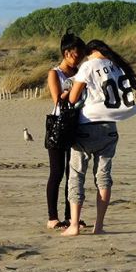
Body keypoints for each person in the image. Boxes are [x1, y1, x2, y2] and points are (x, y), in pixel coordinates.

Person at [62, 39, 136, 237]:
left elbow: (73, 98)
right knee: (104, 177)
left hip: (87, 125)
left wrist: (66, 94)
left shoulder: (88, 66)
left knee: (76, 175)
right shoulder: (117, 67)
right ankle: (99, 225)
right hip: (110, 127)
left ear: (91, 52)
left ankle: (74, 225)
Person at [45, 32, 86, 230]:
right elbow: (57, 99)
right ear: (67, 53)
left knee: (74, 173)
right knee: (57, 172)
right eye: (77, 54)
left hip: (78, 124)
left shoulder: (81, 72)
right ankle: (53, 217)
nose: (80, 58)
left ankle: (72, 216)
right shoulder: (55, 73)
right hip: (59, 126)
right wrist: (74, 89)